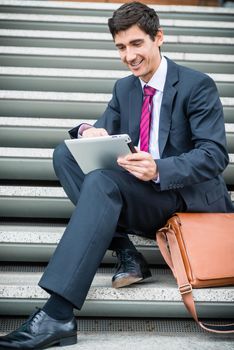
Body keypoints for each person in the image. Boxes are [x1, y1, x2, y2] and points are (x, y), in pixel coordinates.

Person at [0, 2, 233, 349]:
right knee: (66, 153)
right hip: (145, 196)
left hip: (186, 198)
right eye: (121, 47)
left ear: (159, 38)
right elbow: (103, 133)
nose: (129, 56)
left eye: (137, 44)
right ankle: (126, 251)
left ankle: (57, 312)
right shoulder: (125, 89)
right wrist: (86, 131)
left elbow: (214, 155)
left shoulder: (196, 85)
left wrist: (159, 168)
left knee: (101, 181)